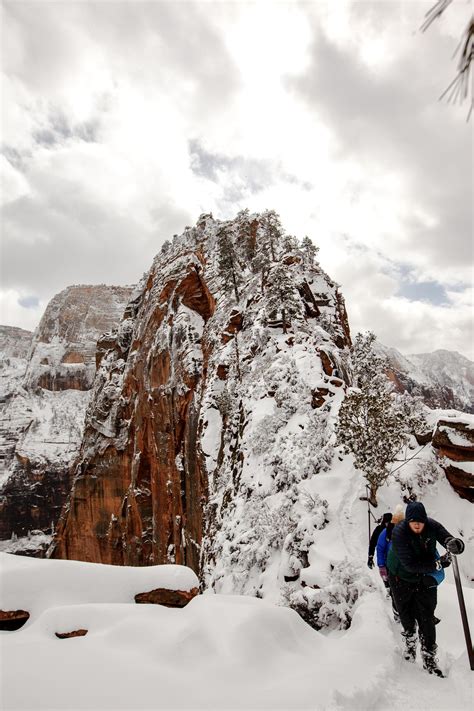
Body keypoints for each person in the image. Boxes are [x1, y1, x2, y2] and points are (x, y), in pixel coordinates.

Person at [387, 501, 465, 677]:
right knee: (406, 614)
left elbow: (447, 538)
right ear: (407, 521)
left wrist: (455, 544)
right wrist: (438, 564)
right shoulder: (400, 533)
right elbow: (411, 565)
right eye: (413, 521)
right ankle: (410, 641)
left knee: (427, 617)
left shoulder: (431, 525)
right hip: (400, 577)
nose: (416, 524)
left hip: (424, 577)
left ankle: (429, 658)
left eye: (420, 521)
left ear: (424, 520)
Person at [376, 504, 405, 621]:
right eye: (397, 523)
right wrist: (381, 566)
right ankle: (397, 612)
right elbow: (380, 548)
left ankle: (405, 612)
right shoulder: (385, 533)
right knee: (395, 592)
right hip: (390, 566)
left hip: (405, 567)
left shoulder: (407, 532)